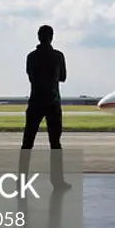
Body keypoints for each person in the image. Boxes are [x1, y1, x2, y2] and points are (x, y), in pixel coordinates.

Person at [21, 24, 70, 190]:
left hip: (35, 102)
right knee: (55, 144)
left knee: (27, 143)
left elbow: (31, 77)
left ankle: (21, 181)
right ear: (52, 37)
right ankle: (57, 181)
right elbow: (63, 77)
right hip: (53, 102)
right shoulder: (58, 56)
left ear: (38, 37)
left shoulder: (31, 57)